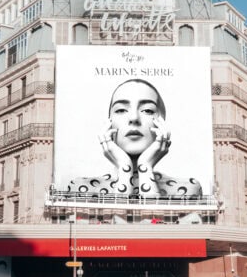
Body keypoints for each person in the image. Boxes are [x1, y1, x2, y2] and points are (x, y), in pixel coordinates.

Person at [65, 78, 202, 198]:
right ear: (109, 123)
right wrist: (125, 167)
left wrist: (145, 166)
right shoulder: (82, 189)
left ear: (162, 123)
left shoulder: (186, 189)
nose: (134, 118)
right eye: (121, 110)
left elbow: (153, 226)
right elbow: (117, 226)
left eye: (147, 110)